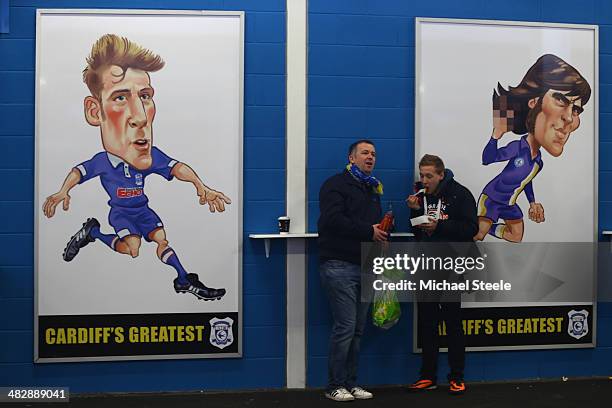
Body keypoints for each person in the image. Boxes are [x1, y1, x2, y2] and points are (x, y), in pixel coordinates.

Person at [42, 34, 231, 301]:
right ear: (96, 112)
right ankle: (93, 232)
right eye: (120, 97)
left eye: (145, 96)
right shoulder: (103, 162)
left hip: (142, 210)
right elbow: (78, 172)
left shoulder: (147, 156)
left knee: (162, 239)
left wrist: (202, 186)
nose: (141, 116)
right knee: (132, 249)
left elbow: (177, 168)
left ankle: (183, 279)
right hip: (121, 214)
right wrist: (63, 191)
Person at [474, 54, 591, 242]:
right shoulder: (517, 147)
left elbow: (526, 180)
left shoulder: (538, 161)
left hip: (509, 202)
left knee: (516, 236)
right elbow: (487, 159)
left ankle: (487, 228)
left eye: (576, 109)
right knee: (478, 235)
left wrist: (532, 202)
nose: (569, 117)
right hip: (493, 199)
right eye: (561, 100)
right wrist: (496, 135)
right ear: (533, 103)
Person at [318, 139, 388, 401]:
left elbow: (372, 226)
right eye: (365, 153)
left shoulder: (372, 189)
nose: (370, 157)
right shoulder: (335, 185)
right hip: (338, 264)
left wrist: (380, 237)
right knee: (346, 326)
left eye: (373, 154)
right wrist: (368, 231)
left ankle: (350, 383)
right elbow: (332, 220)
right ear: (351, 158)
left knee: (358, 329)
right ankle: (334, 385)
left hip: (366, 264)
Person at [406, 154, 477, 395]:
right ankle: (428, 376)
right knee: (427, 323)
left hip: (451, 267)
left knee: (453, 322)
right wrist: (415, 213)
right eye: (421, 176)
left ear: (441, 174)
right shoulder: (420, 196)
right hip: (426, 266)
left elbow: (472, 229)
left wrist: (440, 226)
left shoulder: (460, 194)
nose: (424, 181)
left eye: (429, 176)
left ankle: (457, 376)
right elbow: (417, 233)